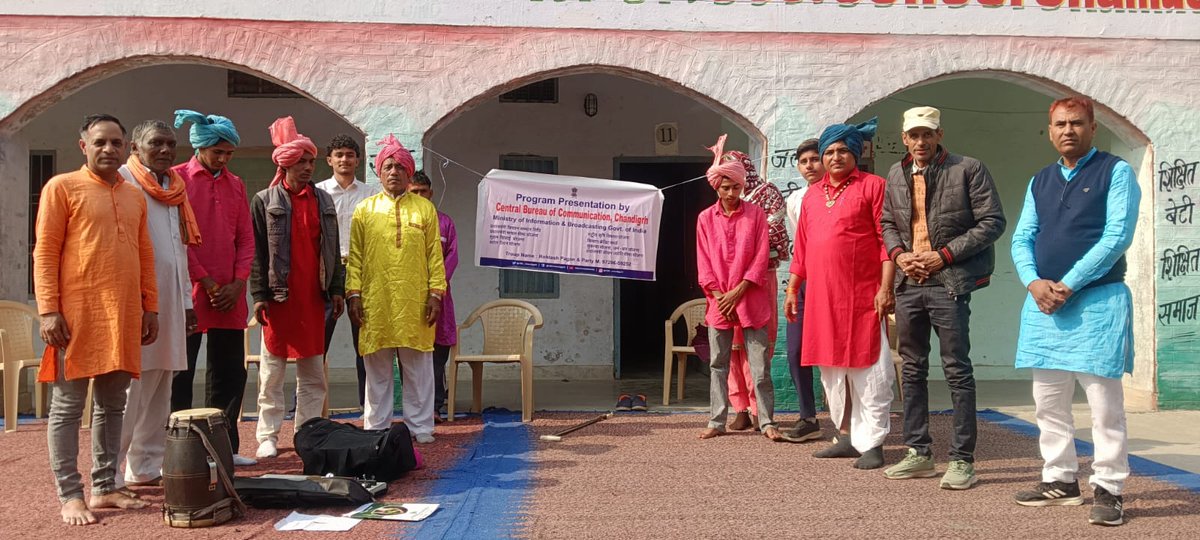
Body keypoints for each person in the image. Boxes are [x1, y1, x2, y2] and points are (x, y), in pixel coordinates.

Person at [1010, 96, 1138, 527]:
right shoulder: (1040, 180)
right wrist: (1033, 282)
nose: (1069, 130)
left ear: (1093, 128)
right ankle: (1060, 479)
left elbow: (1117, 236)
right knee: (1048, 402)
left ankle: (1109, 487)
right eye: (1061, 124)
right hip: (1043, 306)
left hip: (1098, 303)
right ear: (1050, 132)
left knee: (1104, 407)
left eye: (1077, 123)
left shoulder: (1115, 172)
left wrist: (1068, 284)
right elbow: (1022, 237)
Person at [34, 114, 157, 525]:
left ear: (126, 149)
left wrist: (150, 307)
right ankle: (70, 494)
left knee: (112, 404)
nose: (109, 149)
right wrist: (48, 310)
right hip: (74, 316)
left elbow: (145, 255)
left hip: (122, 314)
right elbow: (45, 252)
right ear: (83, 146)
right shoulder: (62, 187)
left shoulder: (134, 195)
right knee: (68, 407)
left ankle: (105, 486)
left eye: (116, 143)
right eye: (100, 142)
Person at [880, 106, 1006, 489]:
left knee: (956, 369)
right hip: (909, 283)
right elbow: (887, 222)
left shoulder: (968, 168)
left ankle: (962, 460)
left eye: (927, 134)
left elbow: (992, 221)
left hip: (948, 281)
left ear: (939, 135)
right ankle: (918, 453)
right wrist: (900, 256)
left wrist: (944, 256)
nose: (921, 141)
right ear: (904, 138)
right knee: (912, 369)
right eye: (914, 135)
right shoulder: (895, 173)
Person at [785, 119, 895, 469]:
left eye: (843, 150)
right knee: (832, 372)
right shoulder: (812, 195)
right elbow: (802, 249)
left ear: (856, 153)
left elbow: (886, 242)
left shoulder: (874, 186)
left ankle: (873, 442)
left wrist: (886, 288)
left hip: (863, 297)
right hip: (821, 299)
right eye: (829, 151)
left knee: (870, 370)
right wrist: (792, 288)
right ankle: (846, 436)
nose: (835, 157)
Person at [249, 117, 344, 458]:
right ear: (285, 163)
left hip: (314, 298)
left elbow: (333, 249)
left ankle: (307, 433)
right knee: (272, 373)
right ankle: (267, 436)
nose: (307, 167)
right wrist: (259, 295)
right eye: (301, 161)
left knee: (313, 374)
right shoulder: (264, 200)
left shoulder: (324, 201)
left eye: (310, 162)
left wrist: (336, 288)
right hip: (280, 298)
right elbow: (257, 251)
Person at [115, 120, 200, 490]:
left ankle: (146, 465)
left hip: (171, 299)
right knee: (130, 389)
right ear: (135, 148)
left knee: (162, 382)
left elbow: (178, 251)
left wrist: (186, 302)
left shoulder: (174, 187)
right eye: (156, 143)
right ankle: (110, 471)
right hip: (136, 301)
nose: (165, 150)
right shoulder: (122, 181)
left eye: (170, 143)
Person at [346, 134, 446, 443]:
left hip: (415, 300)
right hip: (375, 300)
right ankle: (377, 426)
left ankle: (421, 426)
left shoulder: (424, 210)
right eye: (388, 167)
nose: (394, 172)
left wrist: (435, 294)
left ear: (409, 172)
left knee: (418, 367)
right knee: (377, 368)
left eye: (400, 167)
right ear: (378, 172)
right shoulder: (365, 210)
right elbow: (355, 256)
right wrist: (354, 295)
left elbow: (434, 255)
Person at [172, 109, 257, 466]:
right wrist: (204, 280)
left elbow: (246, 238)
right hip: (190, 292)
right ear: (200, 148)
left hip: (230, 294)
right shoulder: (177, 179)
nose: (223, 159)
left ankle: (225, 448)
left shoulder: (236, 184)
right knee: (181, 371)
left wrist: (239, 282)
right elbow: (177, 237)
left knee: (229, 372)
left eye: (228, 153)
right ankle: (178, 450)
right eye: (217, 152)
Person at [696, 134, 785, 442]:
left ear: (742, 186)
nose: (731, 193)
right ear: (716, 188)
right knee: (718, 365)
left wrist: (737, 292)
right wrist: (720, 296)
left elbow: (761, 257)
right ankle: (716, 421)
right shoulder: (705, 219)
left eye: (736, 187)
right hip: (718, 301)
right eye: (726, 187)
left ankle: (767, 422)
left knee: (760, 366)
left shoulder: (756, 215)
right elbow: (704, 262)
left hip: (751, 299)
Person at [721, 151, 788, 433]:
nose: (730, 184)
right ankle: (740, 408)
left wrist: (743, 250)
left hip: (759, 277)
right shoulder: (723, 200)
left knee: (757, 347)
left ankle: (759, 409)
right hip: (727, 281)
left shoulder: (767, 193)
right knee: (731, 349)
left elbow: (772, 232)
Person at [315, 135, 378, 406]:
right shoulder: (317, 192)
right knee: (317, 341)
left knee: (364, 342)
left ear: (358, 160)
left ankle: (369, 406)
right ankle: (309, 405)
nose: (344, 159)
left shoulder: (371, 194)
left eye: (350, 155)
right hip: (326, 272)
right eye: (339, 154)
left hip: (361, 271)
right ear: (329, 160)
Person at [781, 138, 825, 442]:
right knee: (796, 350)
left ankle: (849, 422)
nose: (810, 166)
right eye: (804, 161)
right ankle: (808, 416)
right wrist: (793, 286)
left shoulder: (840, 195)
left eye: (814, 159)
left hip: (832, 280)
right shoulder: (795, 199)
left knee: (834, 352)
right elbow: (801, 244)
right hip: (804, 279)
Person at [407, 171, 458, 419]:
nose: (419, 196)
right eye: (414, 192)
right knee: (411, 353)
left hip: (439, 297)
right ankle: (414, 407)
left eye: (423, 192)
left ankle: (435, 406)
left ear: (431, 193)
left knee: (437, 353)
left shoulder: (445, 223)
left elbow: (452, 258)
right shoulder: (402, 221)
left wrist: (434, 288)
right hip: (408, 296)